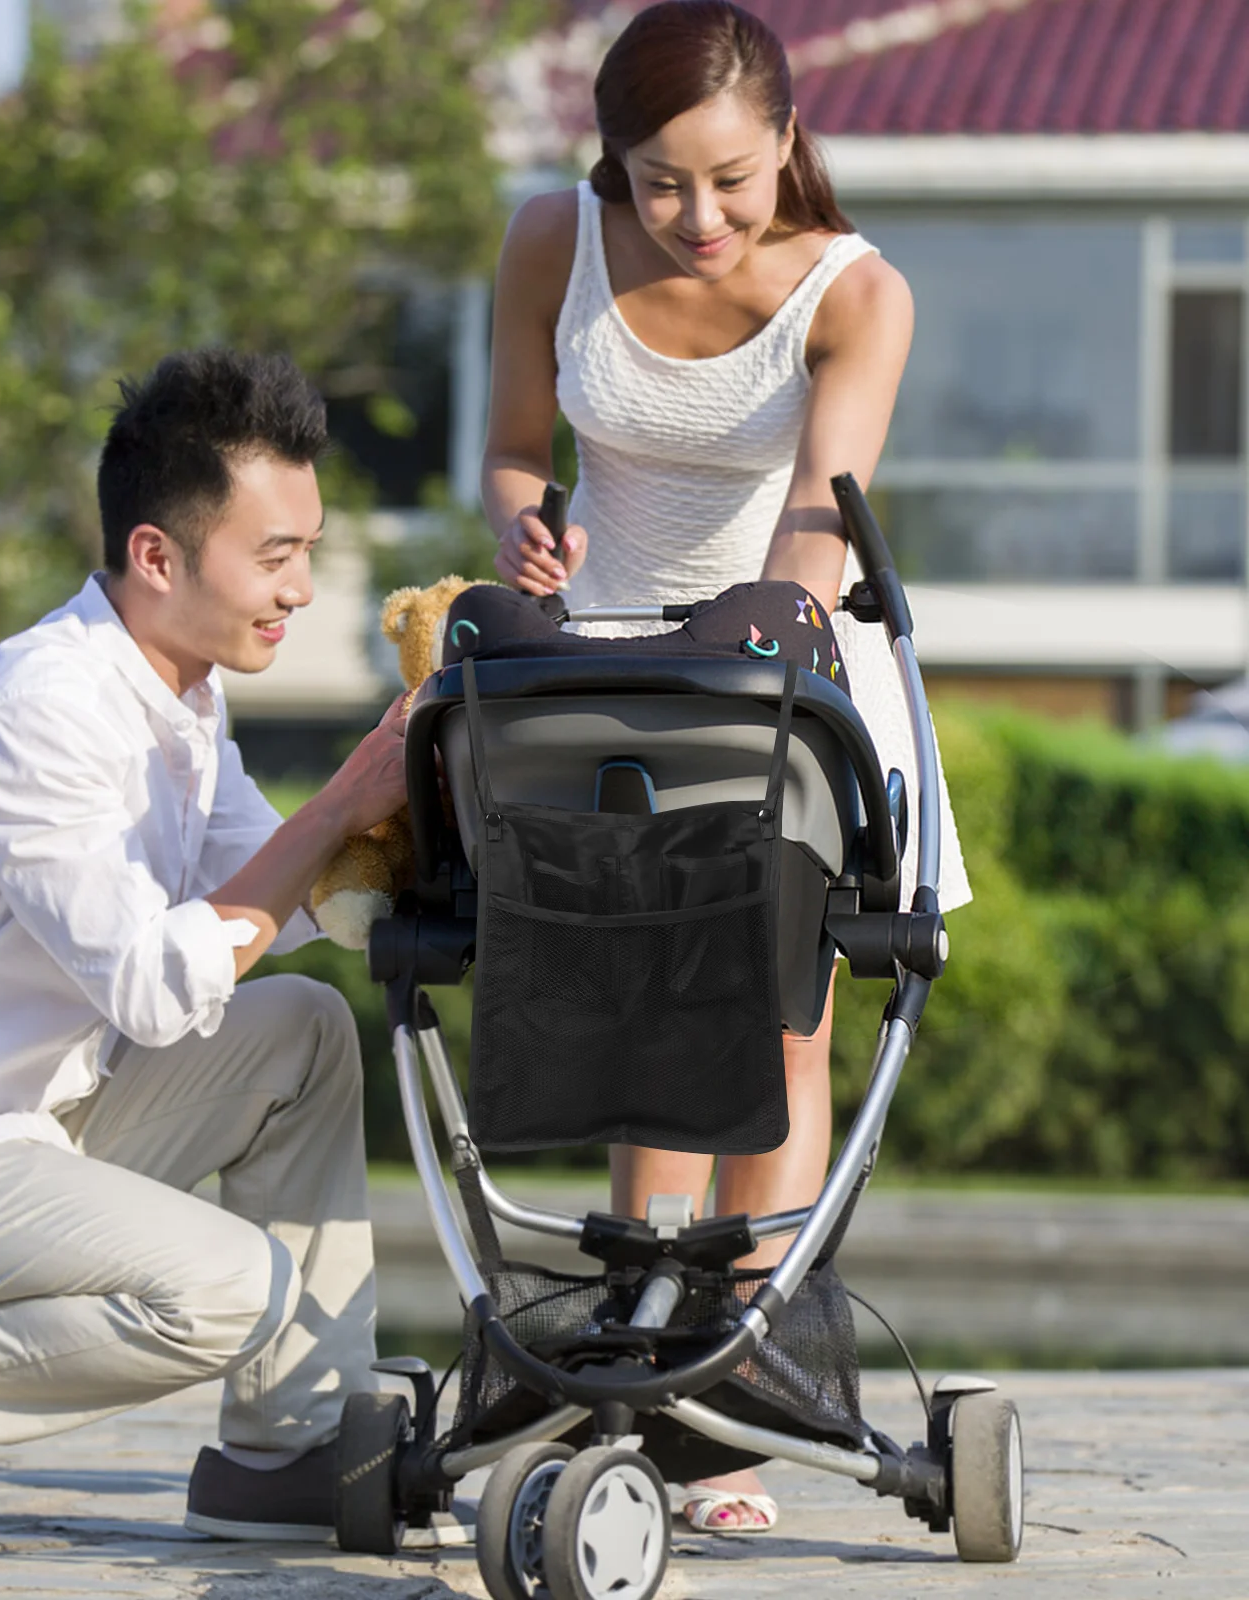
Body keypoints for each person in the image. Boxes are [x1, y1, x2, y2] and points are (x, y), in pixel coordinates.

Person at [0, 349, 406, 1557]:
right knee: (228, 1287)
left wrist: (426, 822)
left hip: (29, 1132)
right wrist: (338, 805)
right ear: (157, 556)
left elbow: (283, 896)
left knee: (302, 1036)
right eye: (276, 555)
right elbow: (156, 990)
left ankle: (282, 1455)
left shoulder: (184, 699)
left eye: (307, 549)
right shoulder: (40, 705)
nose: (303, 587)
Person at [481, 0, 970, 1534]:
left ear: (789, 147)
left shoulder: (856, 293)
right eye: (657, 181)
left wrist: (745, 647)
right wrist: (523, 522)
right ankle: (642, 1352)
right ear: (611, 162)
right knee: (643, 987)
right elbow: (510, 450)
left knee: (774, 1017)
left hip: (780, 664)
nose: (694, 217)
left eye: (731, 180)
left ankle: (740, 1386)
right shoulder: (550, 242)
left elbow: (819, 525)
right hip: (602, 669)